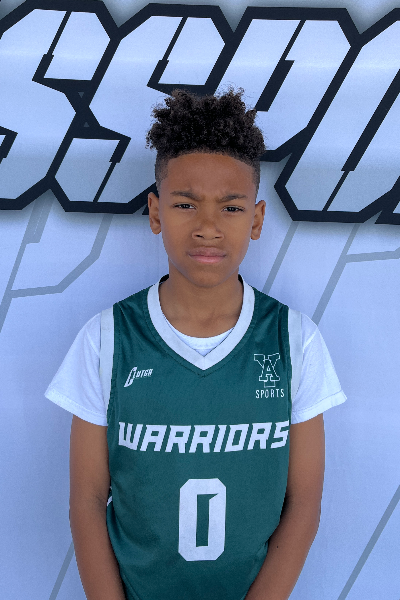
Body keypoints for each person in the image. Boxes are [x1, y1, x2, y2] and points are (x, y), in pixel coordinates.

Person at [45, 88, 346, 600]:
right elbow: (87, 502)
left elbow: (304, 506)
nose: (207, 227)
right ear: (156, 212)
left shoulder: (294, 339)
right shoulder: (107, 338)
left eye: (230, 208)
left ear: (256, 220)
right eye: (185, 204)